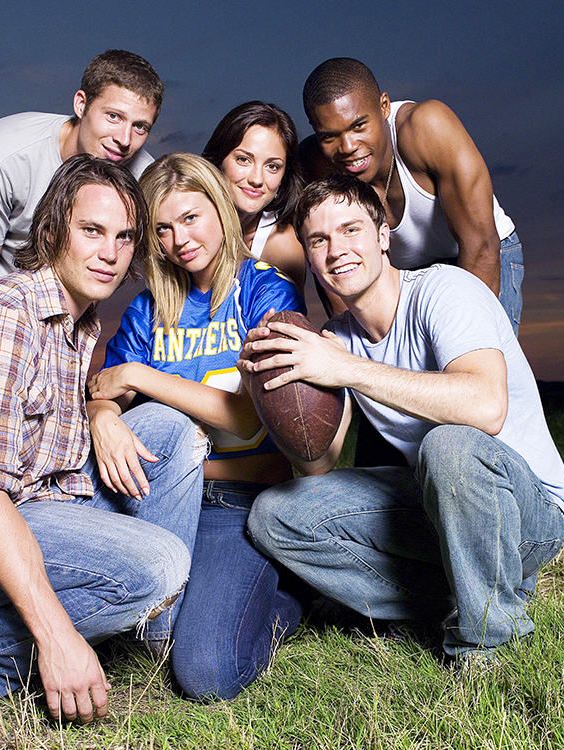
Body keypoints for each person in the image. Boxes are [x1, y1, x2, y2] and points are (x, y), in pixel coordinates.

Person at [0, 155, 190, 723]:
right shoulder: (0, 317)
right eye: (91, 231)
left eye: (124, 237)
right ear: (51, 233)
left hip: (37, 504)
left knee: (170, 430)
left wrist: (100, 411)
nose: (111, 253)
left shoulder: (81, 323)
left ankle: (147, 637)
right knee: (160, 563)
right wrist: (54, 635)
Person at [241, 175, 564, 663]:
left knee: (450, 445)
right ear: (310, 256)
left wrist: (348, 369)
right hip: (436, 503)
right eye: (320, 240)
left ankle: (486, 644)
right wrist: (270, 387)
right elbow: (317, 464)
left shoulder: (445, 290)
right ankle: (457, 597)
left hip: (526, 513)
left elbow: (485, 406)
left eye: (351, 230)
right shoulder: (337, 337)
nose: (337, 251)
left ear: (382, 236)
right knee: (276, 516)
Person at [86, 153, 305, 701]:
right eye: (162, 227)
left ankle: (291, 597)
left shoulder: (266, 291)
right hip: (157, 501)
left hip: (234, 499)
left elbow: (251, 415)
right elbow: (103, 391)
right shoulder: (146, 309)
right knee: (136, 642)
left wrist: (141, 376)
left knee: (206, 672)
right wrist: (104, 415)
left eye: (190, 217)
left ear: (221, 209)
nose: (178, 238)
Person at [0, 49, 164, 328]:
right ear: (81, 104)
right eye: (113, 116)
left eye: (140, 127)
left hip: (52, 287)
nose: (124, 139)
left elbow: (99, 269)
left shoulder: (142, 178)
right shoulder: (3, 154)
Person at [299, 57, 523, 334]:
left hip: (479, 254)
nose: (348, 147)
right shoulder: (315, 163)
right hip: (406, 274)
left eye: (359, 126)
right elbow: (329, 267)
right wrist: (356, 344)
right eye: (329, 136)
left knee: (477, 367)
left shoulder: (426, 128)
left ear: (383, 106)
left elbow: (481, 245)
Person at [202, 101, 307, 291]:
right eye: (244, 159)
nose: (257, 179)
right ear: (219, 161)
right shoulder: (185, 220)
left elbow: (288, 319)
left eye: (272, 166)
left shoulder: (282, 247)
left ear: (284, 177)